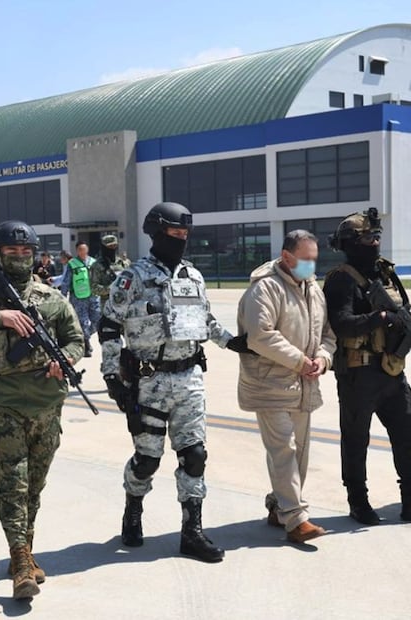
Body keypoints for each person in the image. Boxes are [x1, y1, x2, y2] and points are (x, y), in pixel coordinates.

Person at [100, 201, 247, 563]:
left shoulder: (192, 277)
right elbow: (108, 326)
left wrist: (233, 342)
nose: (181, 240)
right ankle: (133, 508)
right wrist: (110, 375)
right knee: (147, 460)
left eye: (185, 234)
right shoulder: (131, 278)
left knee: (194, 456)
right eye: (174, 234)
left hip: (189, 379)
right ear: (156, 234)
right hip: (148, 381)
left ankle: (191, 532)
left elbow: (206, 321)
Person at [0, 221, 84, 600]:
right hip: (3, 402)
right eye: (11, 253)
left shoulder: (50, 296)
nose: (20, 258)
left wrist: (66, 360)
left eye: (26, 252)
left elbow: (75, 340)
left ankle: (25, 546)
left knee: (35, 484)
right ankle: (21, 561)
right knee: (14, 482)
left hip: (46, 402)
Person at [322, 209, 411, 525]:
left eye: (377, 236)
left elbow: (403, 312)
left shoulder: (384, 273)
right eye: (368, 237)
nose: (375, 242)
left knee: (408, 437)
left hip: (392, 370)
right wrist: (379, 318)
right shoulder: (341, 279)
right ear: (351, 243)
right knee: (356, 441)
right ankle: (358, 502)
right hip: (358, 373)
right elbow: (341, 324)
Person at [236, 230, 337, 544]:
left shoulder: (313, 289)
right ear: (286, 257)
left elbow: (328, 335)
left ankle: (281, 506)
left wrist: (322, 358)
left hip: (304, 385)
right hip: (270, 384)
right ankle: (296, 520)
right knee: (284, 451)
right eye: (305, 259)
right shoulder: (265, 289)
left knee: (301, 455)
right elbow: (260, 335)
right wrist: (299, 361)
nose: (310, 265)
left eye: (314, 260)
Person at [59, 242, 98, 357]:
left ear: (87, 250)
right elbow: (65, 281)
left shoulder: (93, 262)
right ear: (77, 251)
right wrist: (63, 297)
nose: (82, 252)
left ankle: (85, 336)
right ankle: (86, 344)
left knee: (97, 320)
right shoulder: (72, 264)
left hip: (93, 296)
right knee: (83, 322)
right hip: (78, 298)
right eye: (80, 250)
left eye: (84, 249)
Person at [89, 234, 132, 319]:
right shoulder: (97, 266)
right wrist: (111, 289)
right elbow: (93, 288)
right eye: (109, 246)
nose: (112, 248)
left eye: (114, 246)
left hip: (126, 304)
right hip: (108, 306)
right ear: (104, 248)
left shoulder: (124, 263)